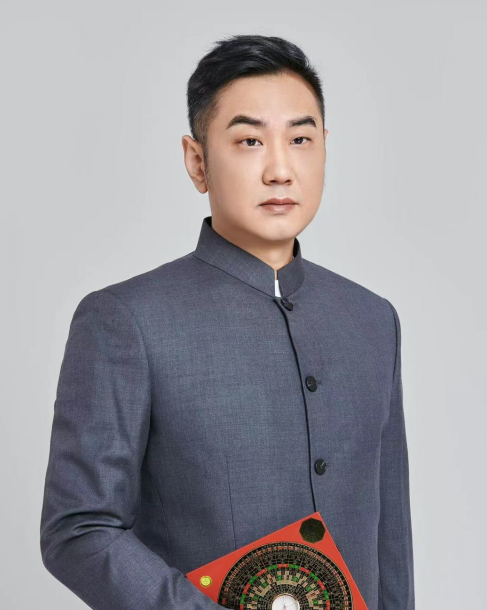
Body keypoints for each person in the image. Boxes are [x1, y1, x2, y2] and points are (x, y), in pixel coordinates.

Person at [40, 34, 415, 610]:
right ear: (198, 162)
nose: (280, 170)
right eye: (249, 141)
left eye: (300, 139)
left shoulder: (371, 319)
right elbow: (79, 529)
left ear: (324, 148)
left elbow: (390, 541)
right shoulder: (125, 320)